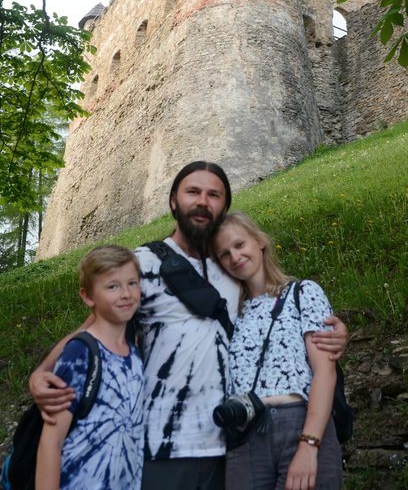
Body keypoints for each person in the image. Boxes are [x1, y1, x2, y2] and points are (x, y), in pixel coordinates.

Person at [30, 161, 348, 490]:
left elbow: (276, 312)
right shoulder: (144, 263)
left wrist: (333, 333)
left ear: (224, 208)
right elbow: (95, 325)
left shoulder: (231, 269)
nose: (202, 202)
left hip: (229, 444)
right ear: (173, 201)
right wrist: (43, 371)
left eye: (214, 195)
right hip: (163, 445)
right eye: (193, 192)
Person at [211, 211, 343, 490]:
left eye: (239, 245)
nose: (234, 257)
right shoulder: (229, 315)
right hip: (245, 435)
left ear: (260, 242)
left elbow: (325, 372)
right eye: (224, 254)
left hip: (299, 422)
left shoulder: (303, 293)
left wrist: (309, 444)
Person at [35, 245, 144, 490]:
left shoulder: (134, 354)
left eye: (132, 283)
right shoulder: (80, 353)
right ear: (87, 296)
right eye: (112, 287)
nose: (126, 294)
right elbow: (51, 443)